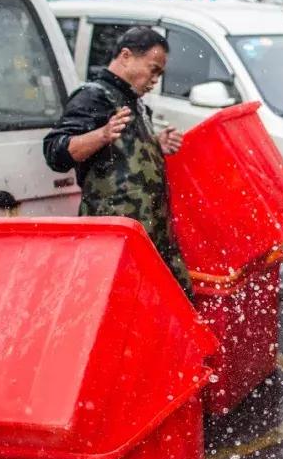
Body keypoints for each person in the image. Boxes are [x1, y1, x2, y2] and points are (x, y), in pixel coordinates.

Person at [43, 26, 192, 297]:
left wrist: (156, 143)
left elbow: (124, 152)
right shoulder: (93, 97)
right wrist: (101, 134)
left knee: (175, 301)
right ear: (126, 56)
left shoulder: (135, 102)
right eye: (153, 70)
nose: (154, 80)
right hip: (114, 240)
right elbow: (55, 151)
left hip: (153, 236)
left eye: (159, 74)